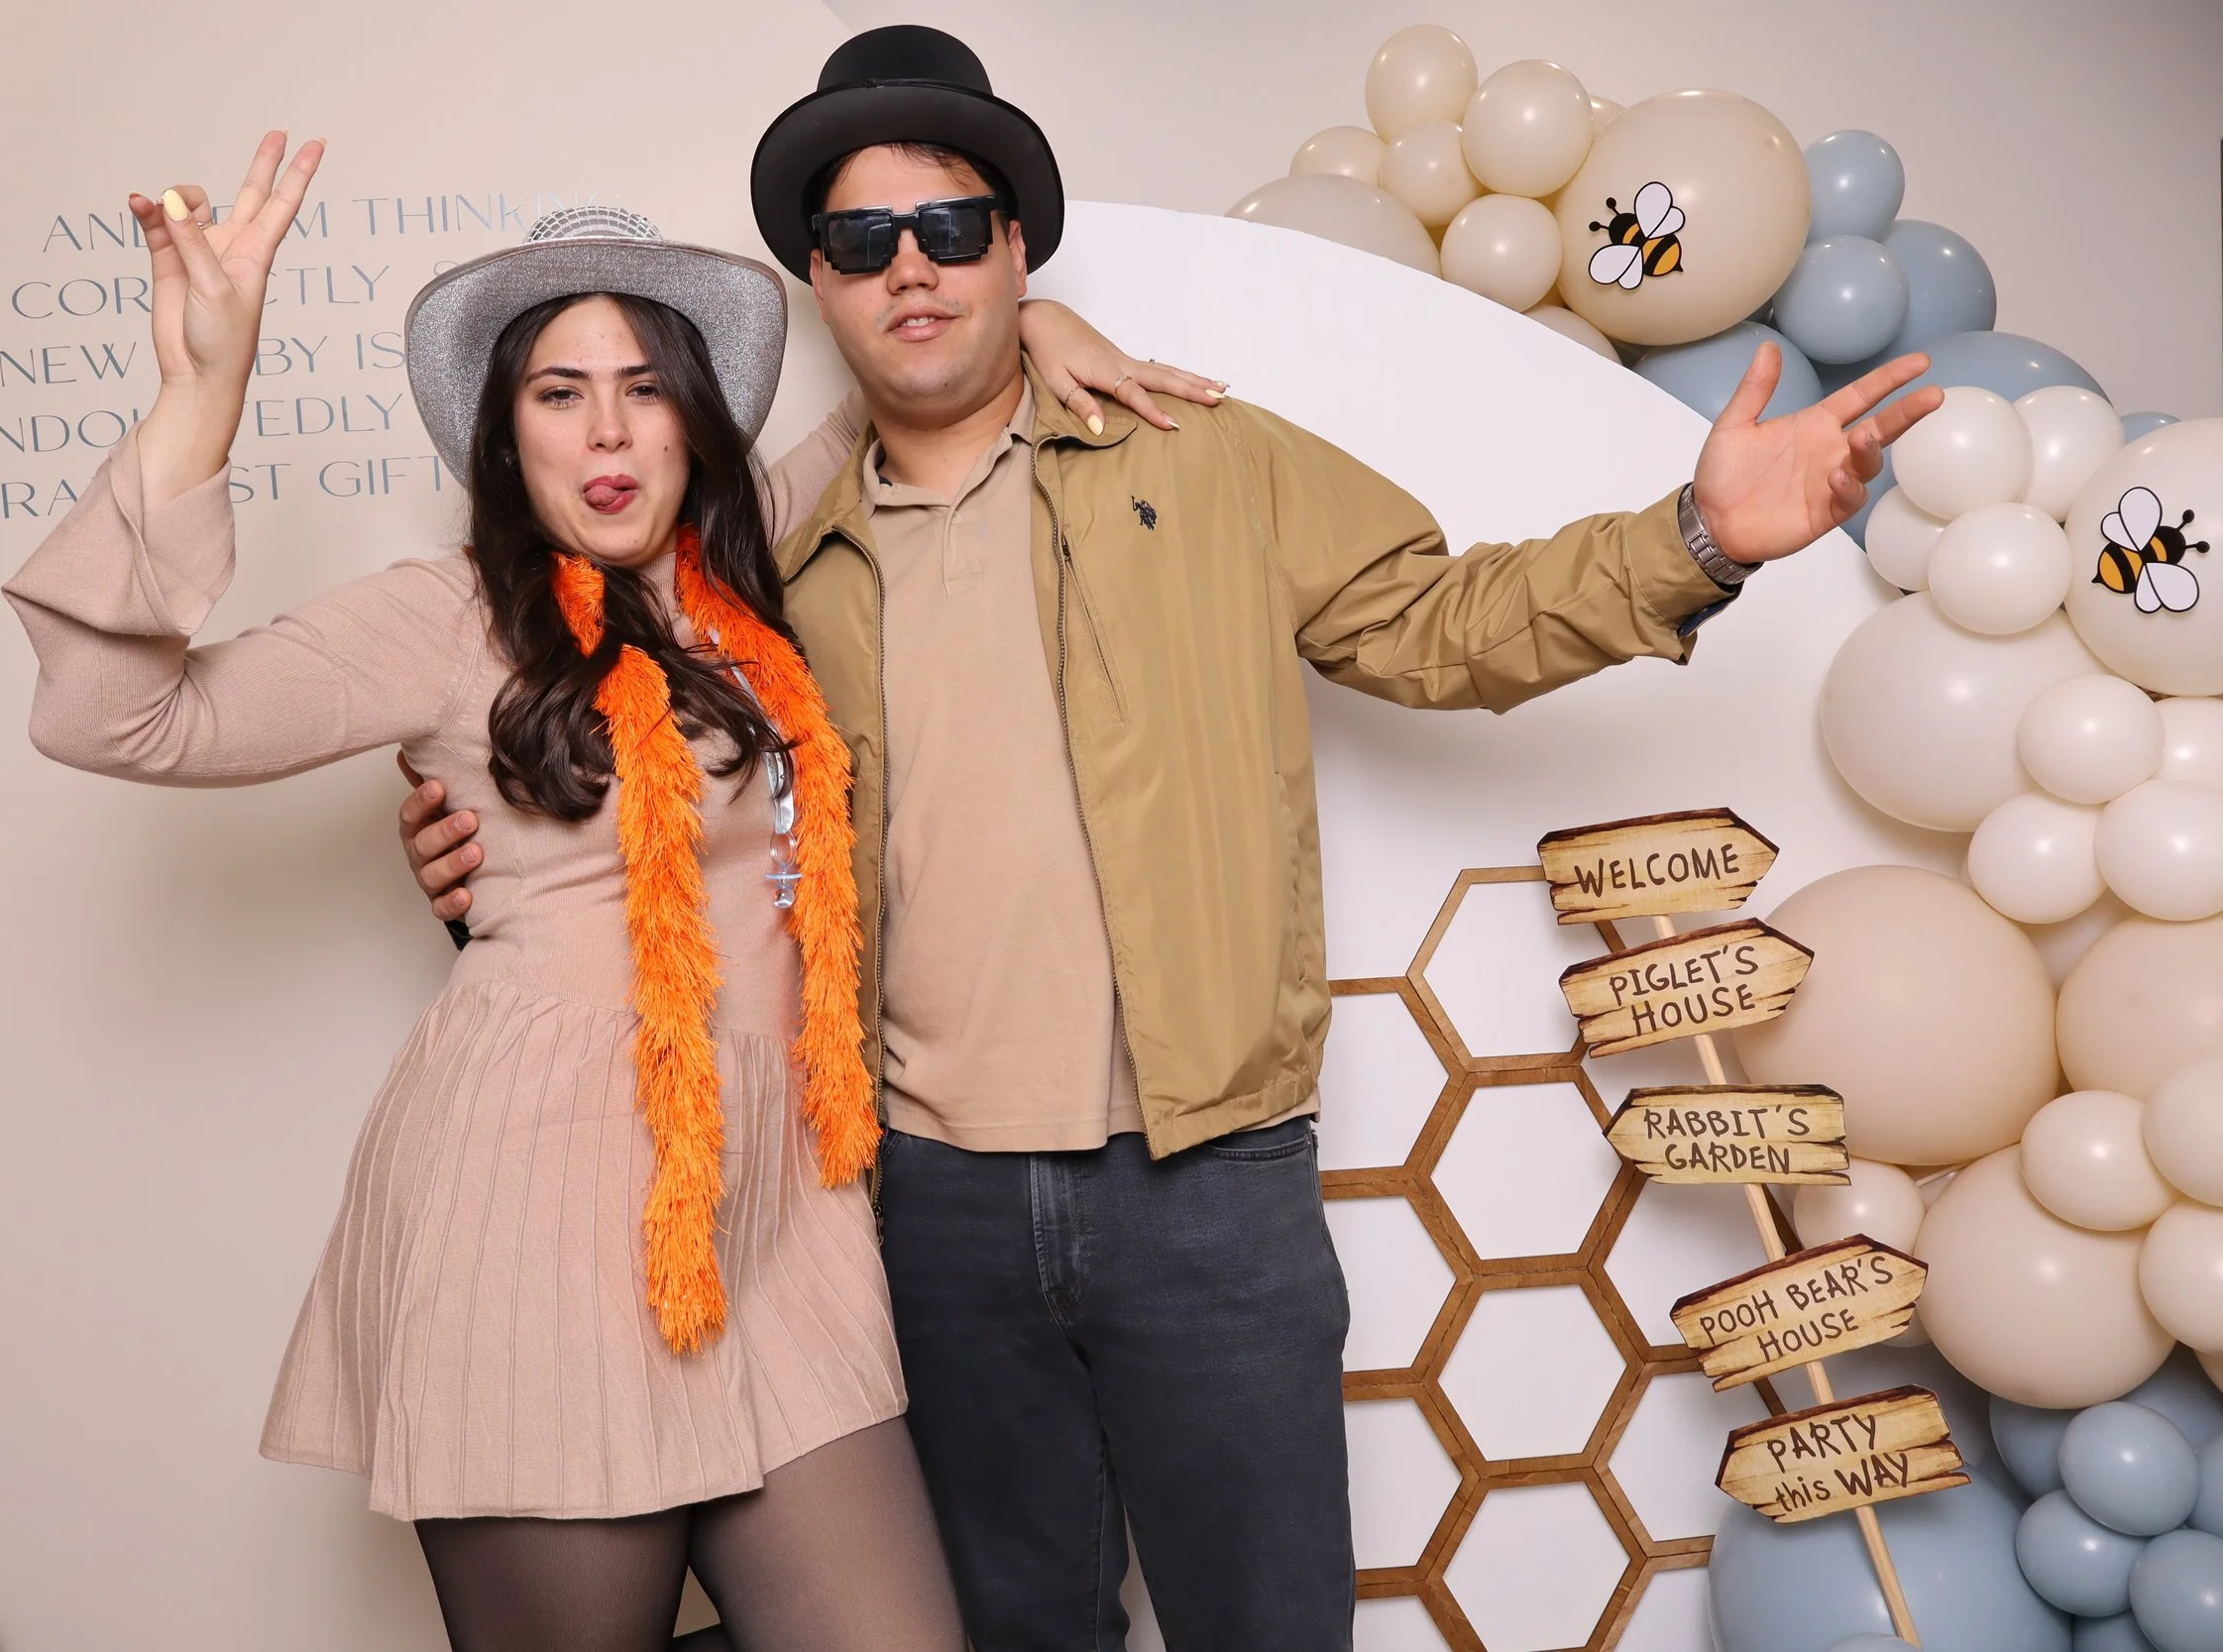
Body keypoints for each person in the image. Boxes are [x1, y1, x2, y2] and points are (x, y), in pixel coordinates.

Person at [404, 25, 1945, 1652]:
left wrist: (1700, 535)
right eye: (864, 242)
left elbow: (1444, 622)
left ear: (1014, 248)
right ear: (820, 278)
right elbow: (595, 739)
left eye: (950, 228)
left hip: (1206, 1181)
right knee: (1013, 1625)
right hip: (921, 1201)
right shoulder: (762, 550)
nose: (909, 269)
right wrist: (465, 856)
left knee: (1266, 1622)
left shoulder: (1201, 459)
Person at [2, 130, 1209, 1652]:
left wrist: (1033, 313)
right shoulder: (447, 616)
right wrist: (201, 397)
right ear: (507, 440)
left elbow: (920, 380)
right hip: (547, 1209)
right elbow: (112, 714)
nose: (609, 431)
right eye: (559, 395)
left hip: (778, 1211)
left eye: (646, 387)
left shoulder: (745, 570)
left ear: (699, 423)